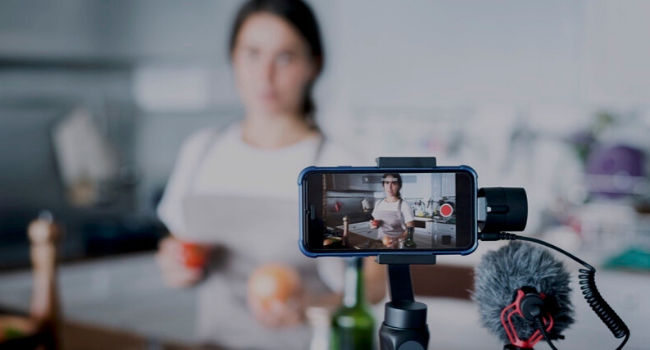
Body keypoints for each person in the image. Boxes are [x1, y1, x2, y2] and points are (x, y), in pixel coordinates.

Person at [154, 0, 386, 348]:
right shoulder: (201, 150)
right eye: (252, 54)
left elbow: (375, 284)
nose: (265, 74)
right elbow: (177, 246)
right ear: (233, 59)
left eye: (285, 57)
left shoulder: (337, 165)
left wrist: (311, 303)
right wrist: (176, 263)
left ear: (313, 65)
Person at [369, 174, 415, 248]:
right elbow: (376, 222)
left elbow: (411, 229)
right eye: (387, 183)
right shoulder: (378, 203)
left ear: (399, 185)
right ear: (383, 185)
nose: (390, 187)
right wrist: (373, 225)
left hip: (397, 246)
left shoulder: (404, 205)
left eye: (393, 183)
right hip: (380, 244)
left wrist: (397, 241)